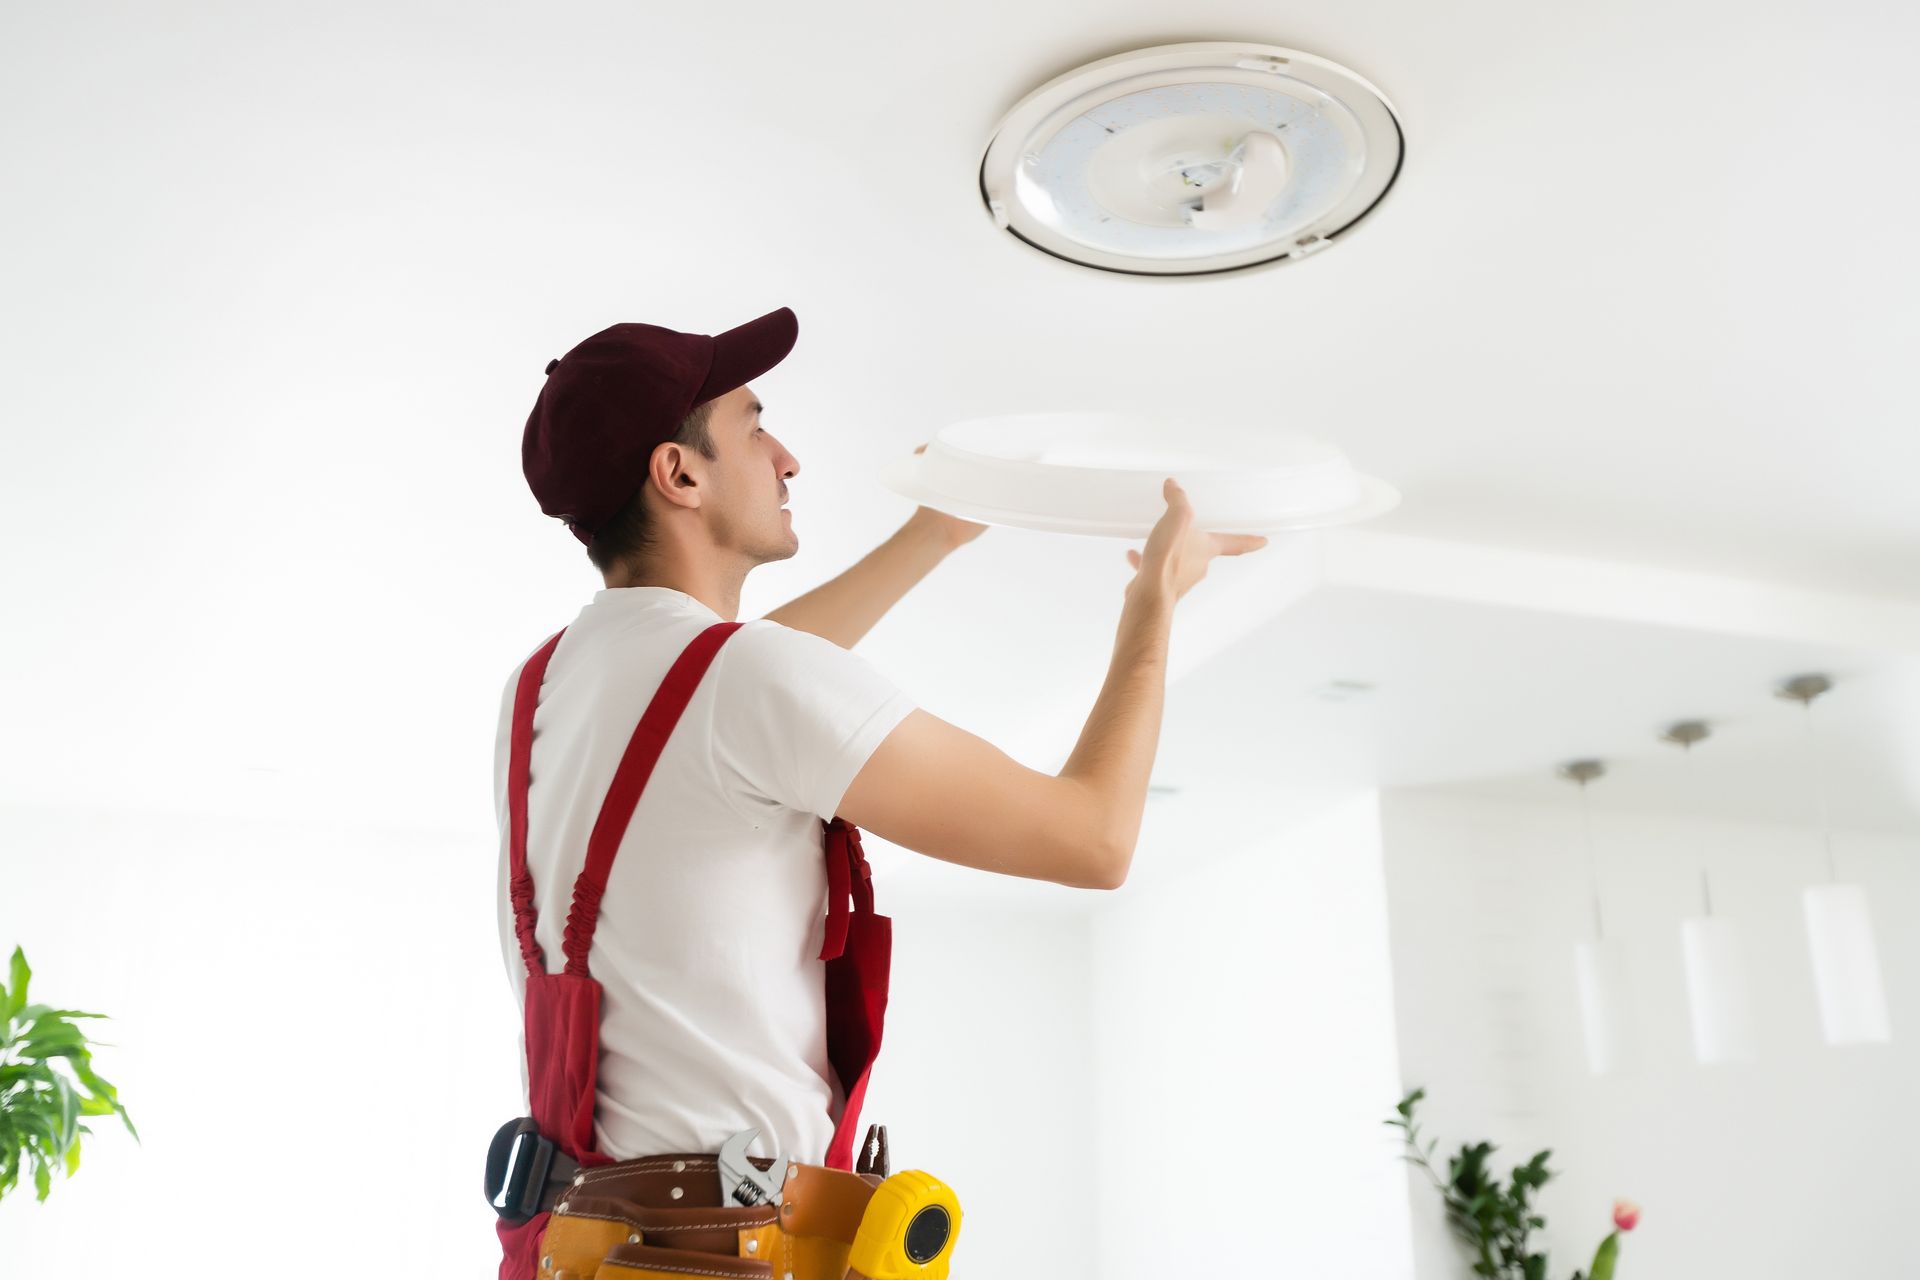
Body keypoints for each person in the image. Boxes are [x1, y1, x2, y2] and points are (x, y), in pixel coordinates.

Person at [489, 305, 1266, 1280]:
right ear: (678, 474)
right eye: (755, 424)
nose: (789, 458)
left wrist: (933, 535)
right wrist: (1155, 600)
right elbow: (1095, 839)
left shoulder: (545, 684)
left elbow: (729, 689)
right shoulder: (748, 683)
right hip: (726, 1250)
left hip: (589, 1242)